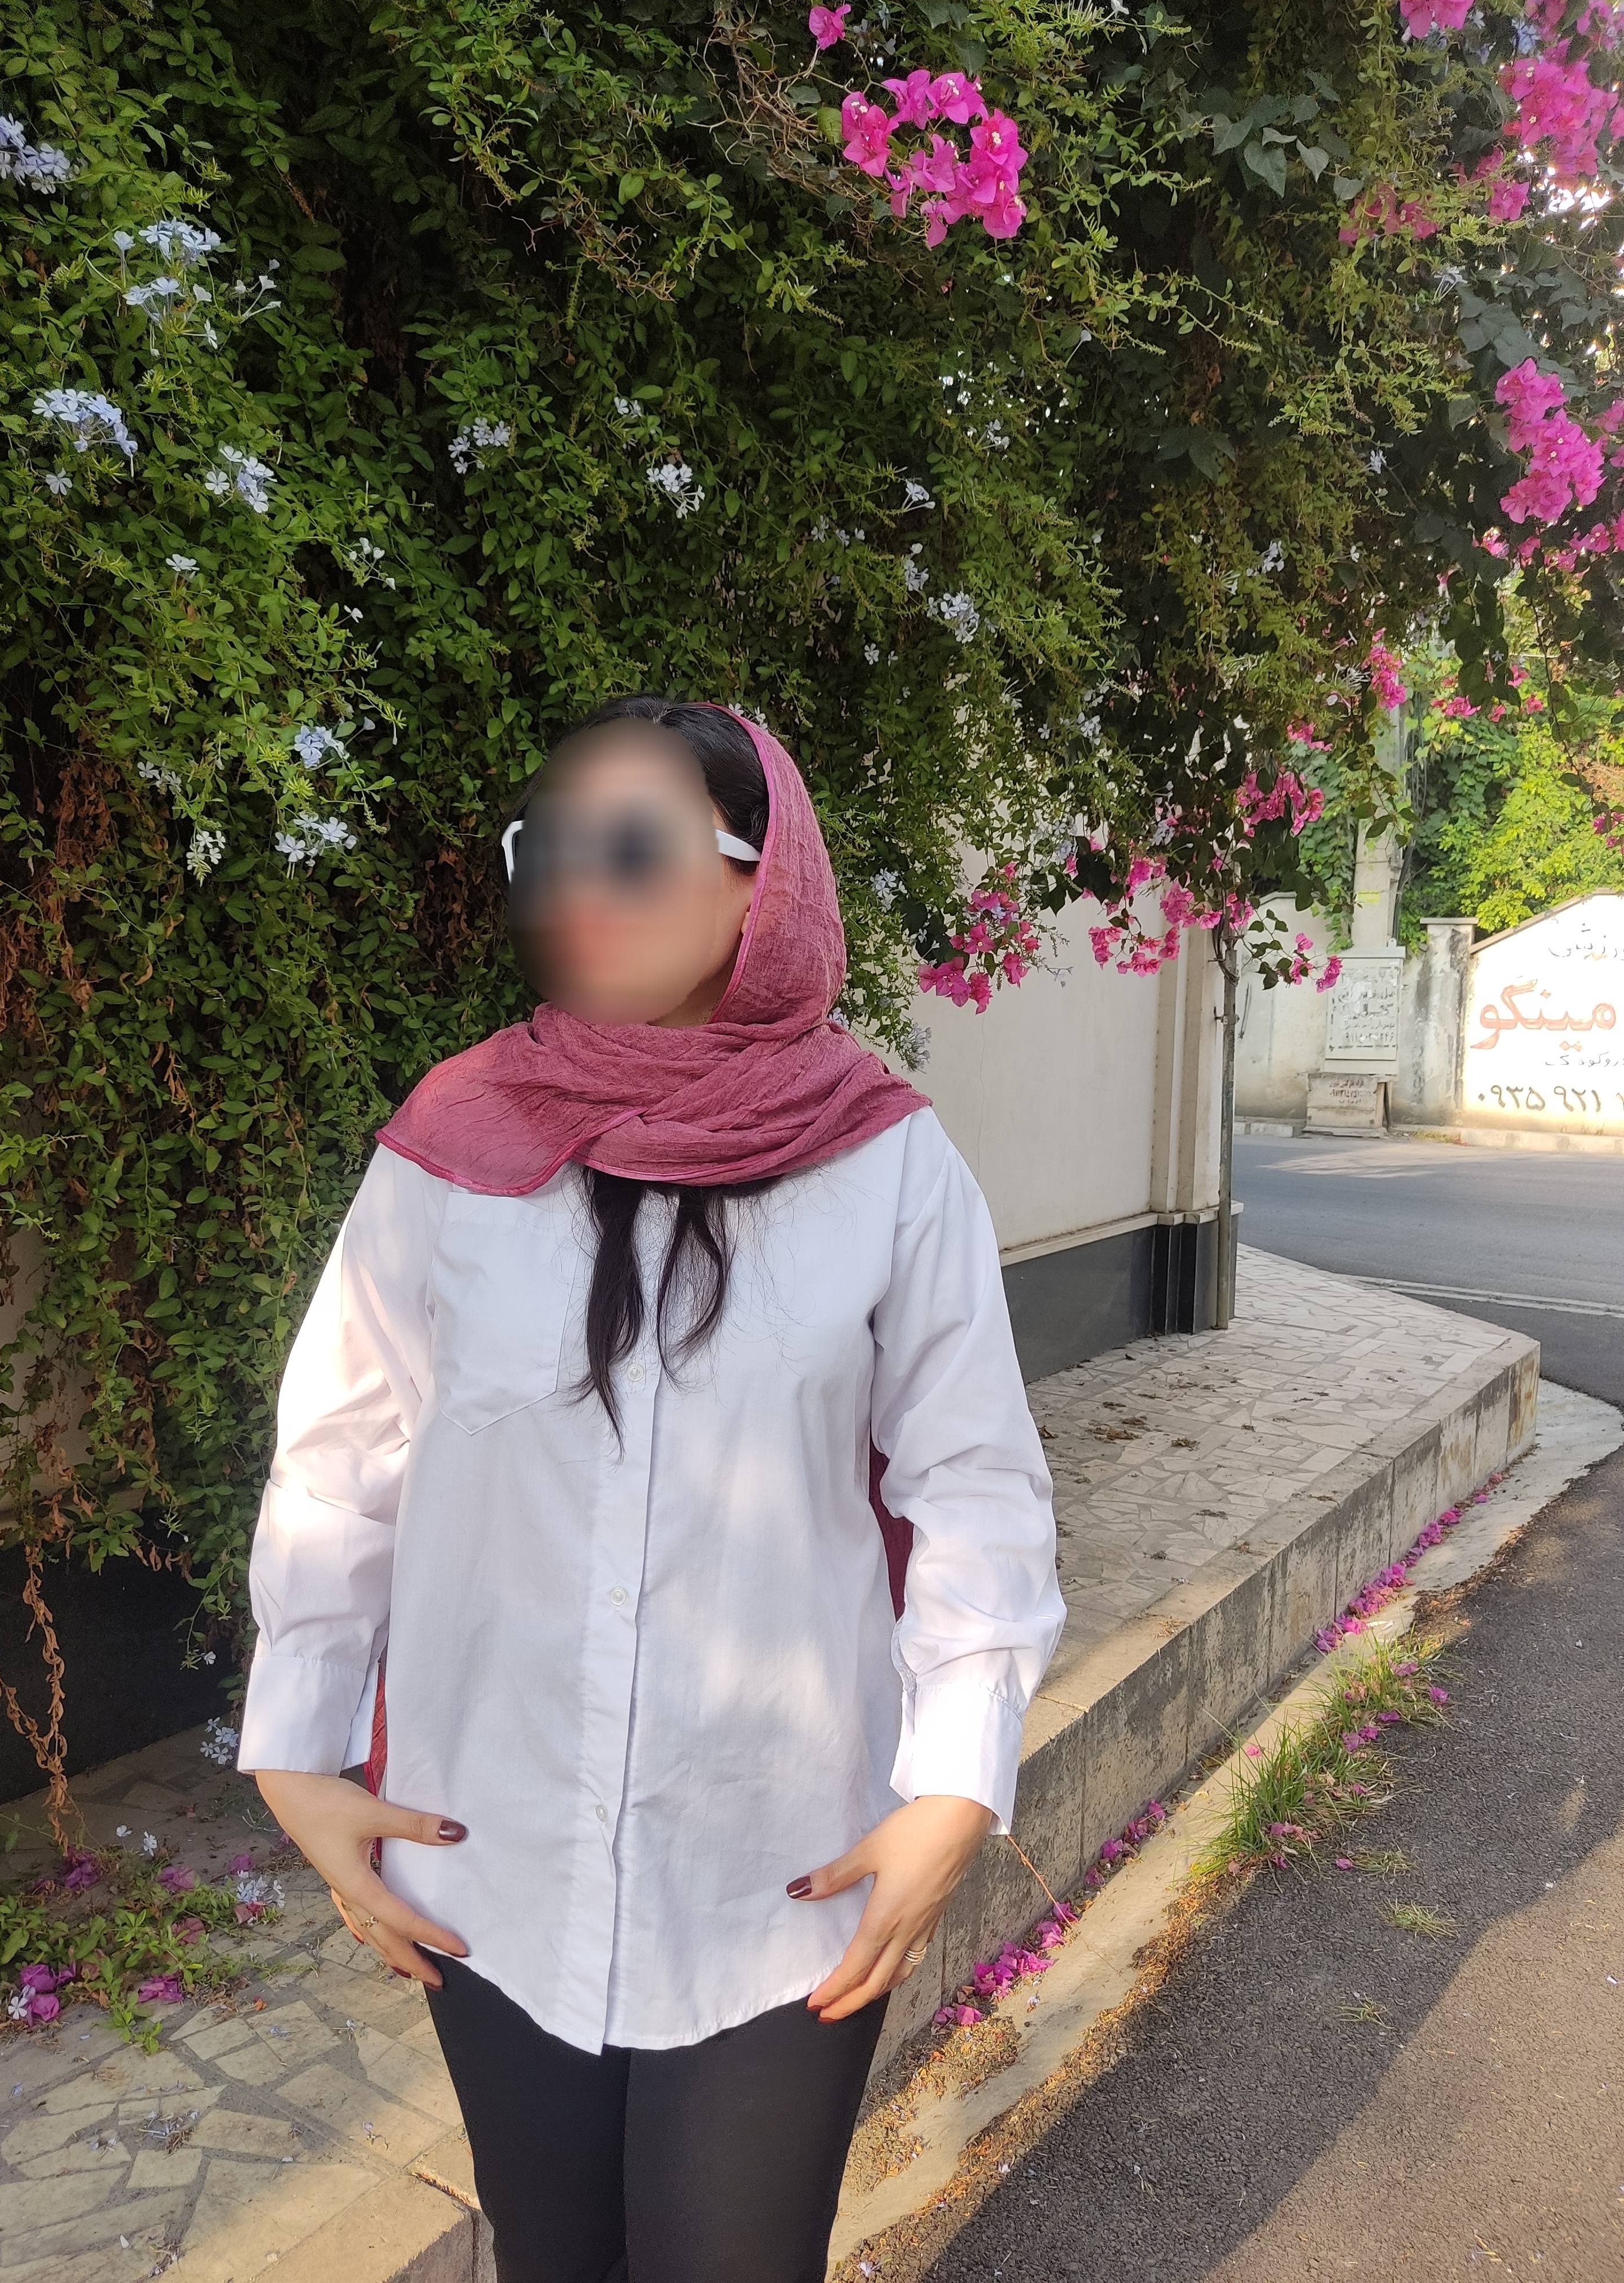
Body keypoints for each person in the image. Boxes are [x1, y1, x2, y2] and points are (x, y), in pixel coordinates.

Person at [238, 697, 1063, 2283]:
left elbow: (972, 1483)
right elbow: (341, 1460)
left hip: (778, 1862)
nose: (577, 887)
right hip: (491, 1852)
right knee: (551, 2258)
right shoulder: (449, 1144)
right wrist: (297, 1758)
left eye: (631, 847)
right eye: (545, 847)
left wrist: (956, 1781)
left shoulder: (884, 1163)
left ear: (767, 881)